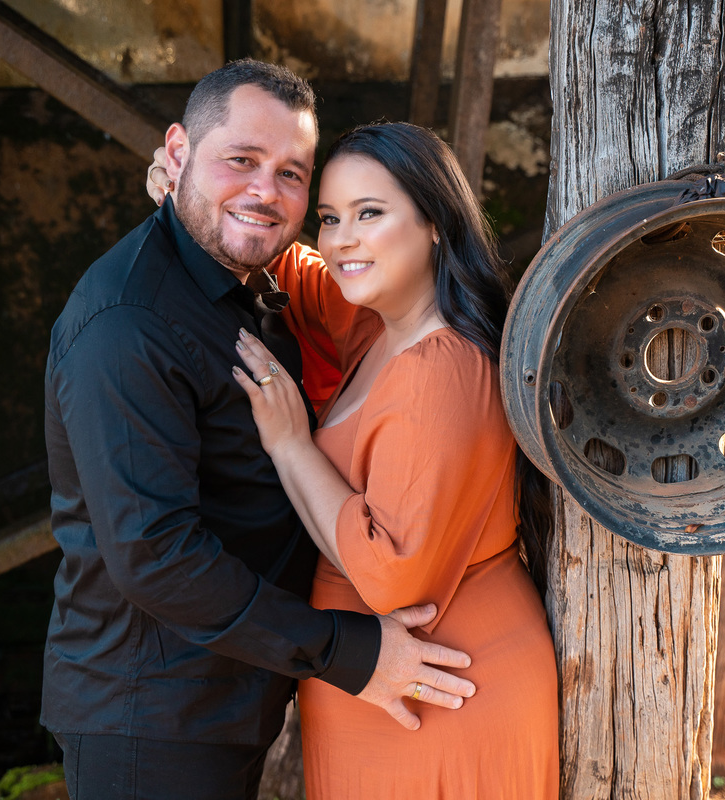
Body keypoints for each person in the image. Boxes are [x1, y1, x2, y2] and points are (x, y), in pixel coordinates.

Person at [42, 60, 476, 800]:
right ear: (175, 155)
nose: (265, 192)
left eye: (291, 174)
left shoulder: (250, 283)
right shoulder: (129, 326)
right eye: (241, 160)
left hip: (223, 703)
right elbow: (155, 555)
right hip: (152, 718)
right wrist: (351, 653)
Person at [228, 122, 561, 796]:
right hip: (391, 692)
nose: (341, 238)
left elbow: (393, 579)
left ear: (435, 222)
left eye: (370, 214)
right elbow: (290, 264)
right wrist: (195, 192)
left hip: (447, 692)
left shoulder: (441, 368)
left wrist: (291, 446)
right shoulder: (376, 323)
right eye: (329, 217)